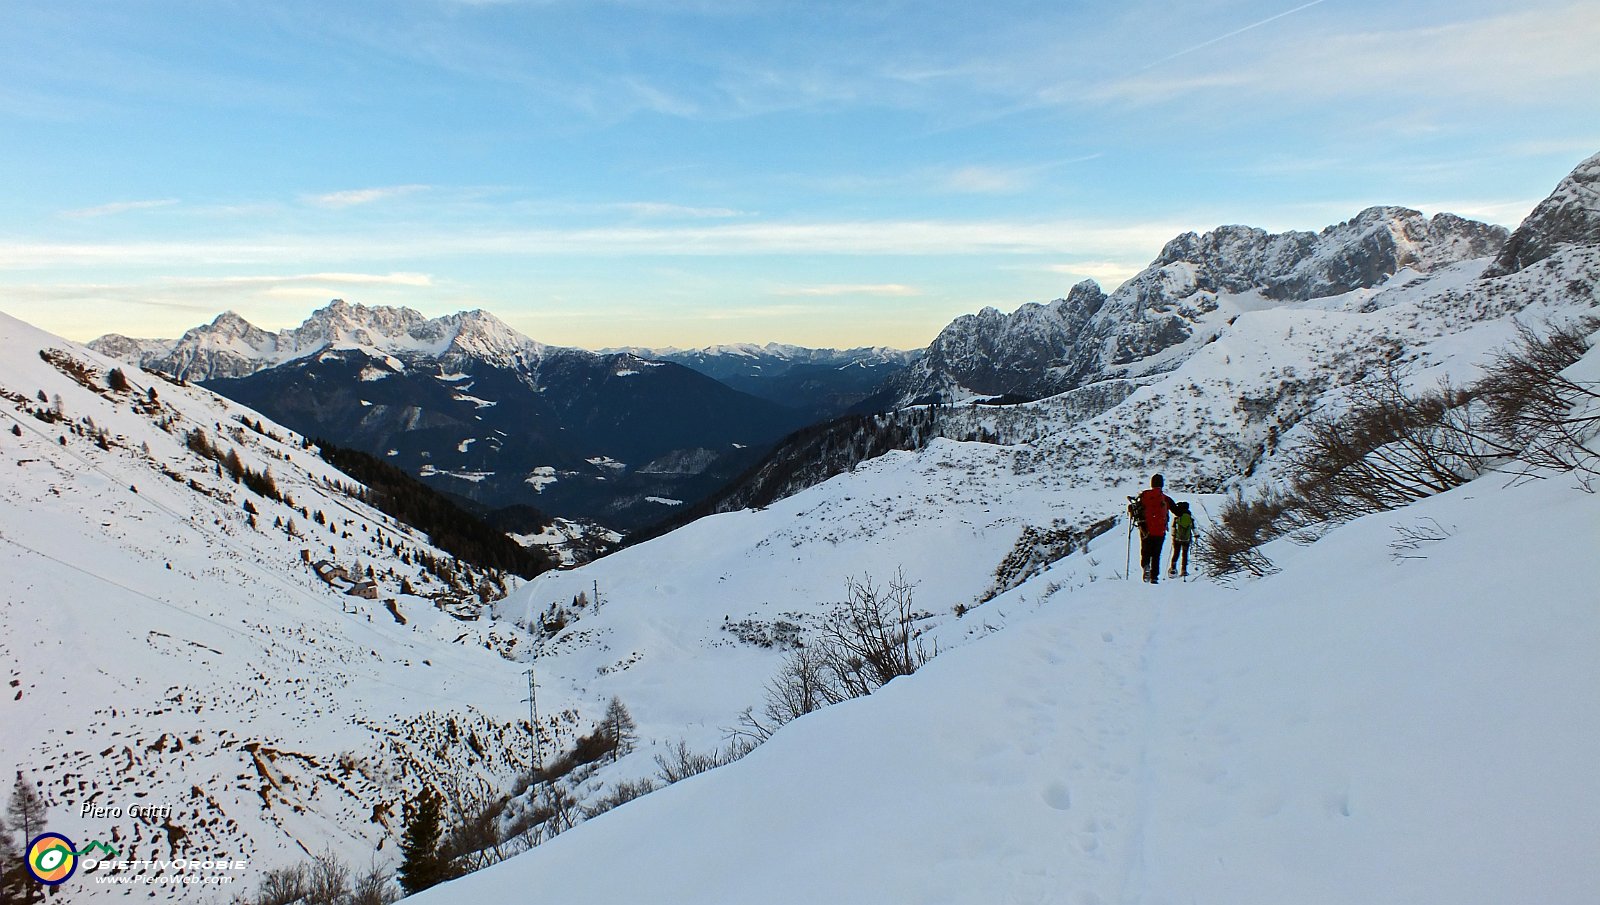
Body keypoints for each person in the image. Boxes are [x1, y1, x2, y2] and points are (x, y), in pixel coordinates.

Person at [1138, 474, 1177, 584]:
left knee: (1145, 550)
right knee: (1156, 554)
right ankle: (1154, 577)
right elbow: (1177, 511)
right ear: (1162, 484)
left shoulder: (1144, 496)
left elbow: (1136, 509)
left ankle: (1146, 566)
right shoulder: (1166, 498)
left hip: (1145, 529)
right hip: (1160, 530)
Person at [1168, 501, 1194, 578]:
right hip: (1187, 539)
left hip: (1177, 539)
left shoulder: (1177, 518)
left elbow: (1173, 529)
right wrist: (1196, 535)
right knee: (1185, 554)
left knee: (1176, 553)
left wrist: (1173, 535)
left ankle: (1173, 568)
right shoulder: (1190, 518)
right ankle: (1184, 570)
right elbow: (1194, 528)